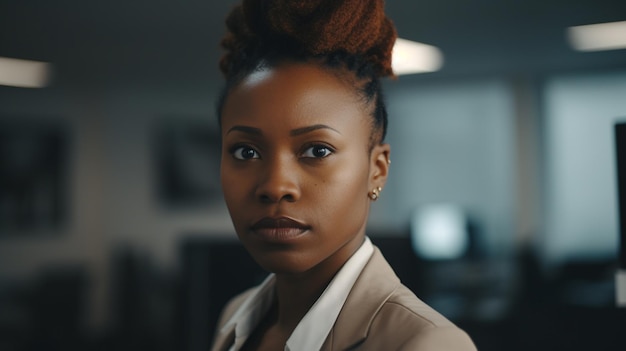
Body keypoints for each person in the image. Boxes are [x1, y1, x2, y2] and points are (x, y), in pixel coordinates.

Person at [211, 1, 477, 350]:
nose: (275, 186)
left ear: (376, 171)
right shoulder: (236, 319)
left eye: (317, 150)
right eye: (247, 152)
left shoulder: (428, 343)